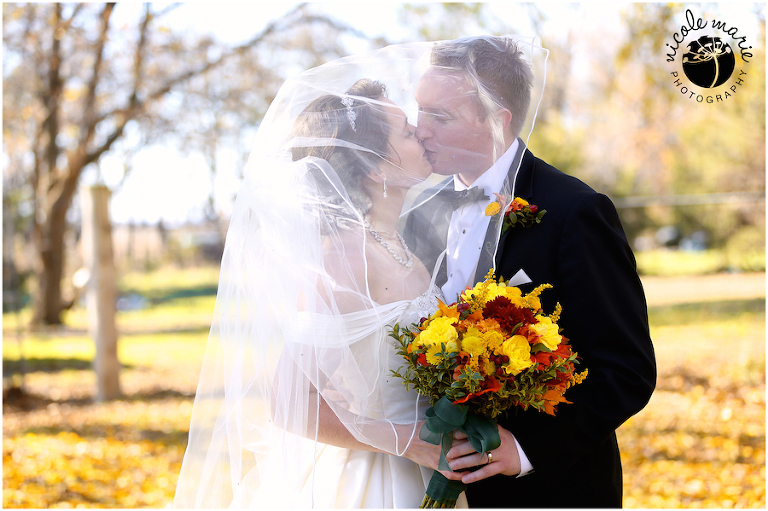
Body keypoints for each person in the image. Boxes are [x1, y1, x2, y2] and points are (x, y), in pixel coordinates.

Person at [174, 48, 466, 507]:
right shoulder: (346, 258)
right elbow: (292, 401)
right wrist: (405, 441)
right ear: (374, 167)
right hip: (376, 479)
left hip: (430, 465)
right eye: (408, 133)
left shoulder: (399, 244)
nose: (422, 136)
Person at [403, 36, 657, 507]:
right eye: (419, 111)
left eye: (440, 116)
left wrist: (524, 450)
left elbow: (626, 371)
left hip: (551, 489)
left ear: (498, 122)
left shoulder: (574, 211)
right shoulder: (415, 212)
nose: (420, 130)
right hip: (426, 482)